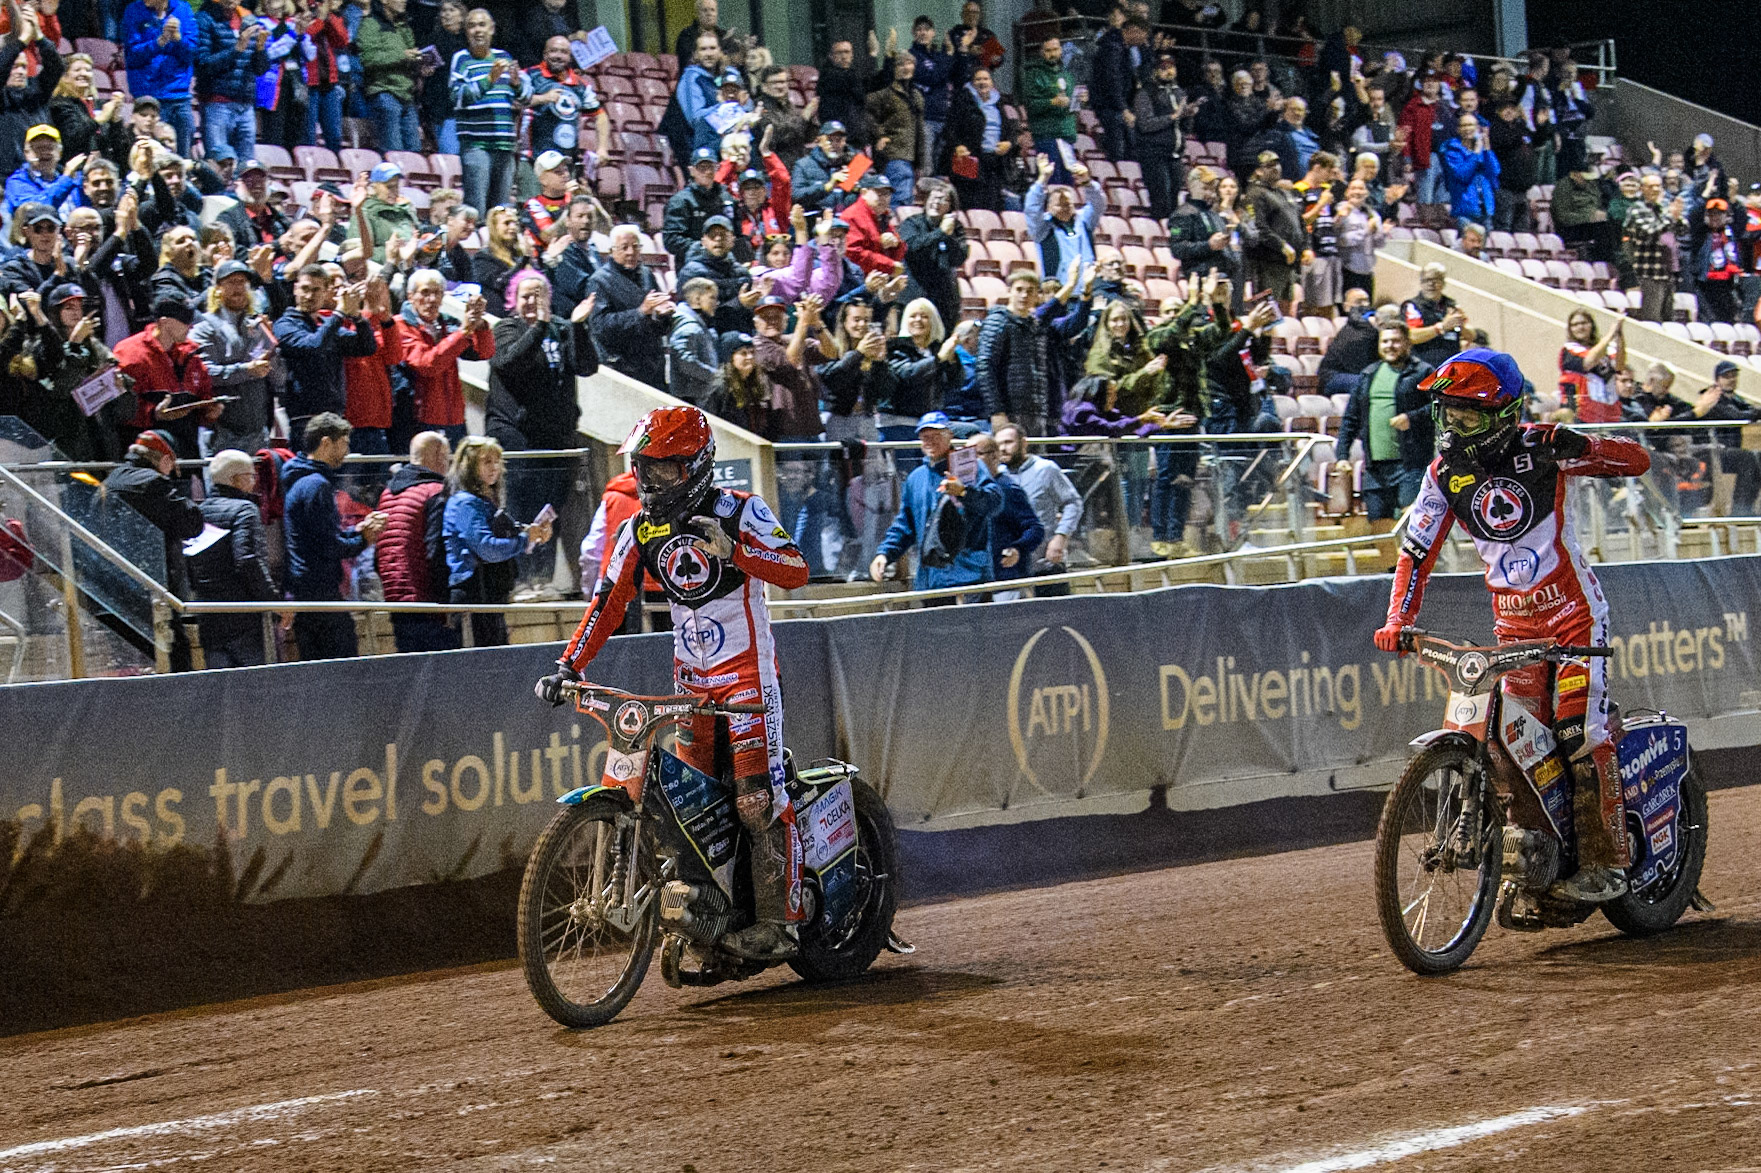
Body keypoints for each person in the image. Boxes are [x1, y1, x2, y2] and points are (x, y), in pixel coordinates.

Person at [1375, 348, 1652, 905]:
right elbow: (1416, 550)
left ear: (1503, 412)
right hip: (1514, 629)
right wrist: (1398, 618)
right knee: (1513, 746)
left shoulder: (1544, 447)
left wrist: (1586, 445)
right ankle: (1541, 866)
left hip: (1574, 618)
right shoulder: (1443, 473)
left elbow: (1637, 460)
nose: (1454, 425)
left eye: (1467, 415)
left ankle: (1611, 863)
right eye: (1447, 413)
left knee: (1578, 734)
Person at [538, 406, 811, 960]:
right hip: (692, 687)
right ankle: (712, 920)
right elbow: (608, 602)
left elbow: (796, 568)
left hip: (747, 680)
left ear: (696, 466)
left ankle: (783, 922)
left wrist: (735, 551)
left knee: (756, 800)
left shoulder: (741, 509)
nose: (649, 481)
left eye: (662, 470)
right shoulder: (639, 526)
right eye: (643, 469)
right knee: (696, 808)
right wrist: (570, 665)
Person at [280, 412, 387, 661]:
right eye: (344, 443)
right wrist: (364, 539)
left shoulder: (300, 480)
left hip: (305, 590)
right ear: (326, 442)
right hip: (320, 592)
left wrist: (358, 531)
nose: (347, 451)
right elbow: (328, 546)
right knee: (341, 664)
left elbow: (320, 536)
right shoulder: (317, 485)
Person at [871, 410, 1004, 595]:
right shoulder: (915, 478)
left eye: (936, 435)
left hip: (970, 577)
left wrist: (964, 492)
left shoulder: (971, 465)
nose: (930, 441)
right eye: (925, 436)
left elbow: (995, 502)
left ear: (950, 435)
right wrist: (885, 553)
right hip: (931, 580)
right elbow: (905, 525)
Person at [443, 435, 548, 647]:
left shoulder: (483, 502)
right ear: (470, 465)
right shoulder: (465, 504)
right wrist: (523, 539)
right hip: (474, 596)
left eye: (496, 461)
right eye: (486, 461)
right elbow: (487, 548)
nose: (494, 467)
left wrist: (529, 533)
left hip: (490, 594)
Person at [1333, 321, 1435, 525]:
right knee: (1379, 525)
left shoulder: (1423, 372)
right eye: (1385, 341)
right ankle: (1389, 559)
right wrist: (1342, 455)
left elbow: (1441, 407)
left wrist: (1412, 418)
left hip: (1411, 465)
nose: (1390, 346)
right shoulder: (1368, 374)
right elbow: (1351, 418)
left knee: (1413, 524)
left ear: (1407, 343)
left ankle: (1423, 558)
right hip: (1376, 468)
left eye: (1396, 341)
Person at [186, 448, 277, 668]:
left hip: (209, 614)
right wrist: (273, 601)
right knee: (255, 689)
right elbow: (247, 560)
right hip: (243, 616)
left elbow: (189, 562)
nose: (254, 481)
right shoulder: (245, 510)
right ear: (236, 479)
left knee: (221, 692)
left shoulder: (198, 511)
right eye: (251, 476)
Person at [273, 264, 379, 446]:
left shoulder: (326, 324)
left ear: (325, 292)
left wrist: (357, 317)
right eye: (305, 289)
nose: (309, 296)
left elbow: (366, 347)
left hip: (334, 415)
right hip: (304, 418)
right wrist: (339, 313)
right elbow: (313, 346)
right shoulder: (285, 324)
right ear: (295, 289)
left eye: (316, 290)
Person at [376, 430, 455, 652]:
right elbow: (436, 552)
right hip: (428, 603)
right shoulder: (435, 491)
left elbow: (378, 552)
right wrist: (446, 604)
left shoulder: (387, 495)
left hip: (396, 600)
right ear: (440, 455)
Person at [396, 267, 493, 445]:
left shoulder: (447, 324)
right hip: (418, 420)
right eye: (425, 293)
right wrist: (464, 331)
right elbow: (427, 364)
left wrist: (479, 325)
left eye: (437, 293)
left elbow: (484, 352)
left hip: (454, 419)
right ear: (411, 296)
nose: (432, 300)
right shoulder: (400, 325)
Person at [190, 258, 275, 455]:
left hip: (257, 433)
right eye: (231, 282)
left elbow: (278, 378)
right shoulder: (205, 327)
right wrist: (246, 370)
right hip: (221, 433)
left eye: (242, 282)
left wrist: (272, 346)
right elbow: (204, 373)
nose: (238, 287)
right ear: (218, 289)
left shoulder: (257, 326)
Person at [449, 8, 529, 215]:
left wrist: (517, 84)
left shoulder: (505, 57)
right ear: (466, 32)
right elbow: (457, 98)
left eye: (482, 25)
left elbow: (526, 96)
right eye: (472, 26)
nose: (477, 30)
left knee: (502, 214)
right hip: (476, 146)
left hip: (505, 145)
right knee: (476, 211)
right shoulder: (461, 59)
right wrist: (488, 80)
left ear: (492, 29)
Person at [587, 223, 672, 390]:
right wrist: (640, 312)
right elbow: (600, 326)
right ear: (612, 250)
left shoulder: (646, 274)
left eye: (635, 247)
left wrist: (662, 316)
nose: (631, 252)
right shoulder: (599, 281)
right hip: (622, 365)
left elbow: (658, 322)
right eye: (624, 247)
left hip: (652, 364)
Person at [994, 422, 1080, 576]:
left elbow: (1073, 503)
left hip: (1045, 562)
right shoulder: (996, 475)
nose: (1003, 448)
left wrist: (1060, 538)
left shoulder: (1046, 469)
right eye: (999, 444)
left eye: (1008, 442)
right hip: (1010, 568)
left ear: (1024, 443)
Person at [971, 430, 1043, 596]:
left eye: (977, 454)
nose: (970, 460)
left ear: (994, 456)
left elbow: (1034, 528)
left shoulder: (1008, 489)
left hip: (1006, 580)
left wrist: (1018, 549)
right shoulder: (968, 492)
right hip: (976, 580)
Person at [122, 0, 196, 156]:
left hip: (179, 95)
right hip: (148, 96)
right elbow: (132, 56)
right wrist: (159, 42)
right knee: (148, 155)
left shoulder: (183, 9)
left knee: (183, 157)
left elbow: (191, 54)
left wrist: (178, 39)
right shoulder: (133, 10)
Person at [898, 180, 968, 332]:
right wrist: (940, 233)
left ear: (950, 206)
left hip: (944, 300)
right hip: (914, 296)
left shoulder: (956, 228)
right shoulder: (912, 223)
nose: (937, 202)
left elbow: (959, 257)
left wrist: (948, 236)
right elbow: (911, 248)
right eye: (934, 197)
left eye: (943, 199)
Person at [940, 68, 1011, 213]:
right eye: (978, 79)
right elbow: (950, 129)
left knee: (992, 204)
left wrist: (1008, 143)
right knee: (971, 203)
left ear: (992, 83)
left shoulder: (999, 103)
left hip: (994, 162)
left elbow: (1009, 131)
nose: (982, 82)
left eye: (986, 79)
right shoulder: (962, 102)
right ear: (972, 83)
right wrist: (958, 146)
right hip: (970, 160)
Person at [1024, 156, 1103, 283]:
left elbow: (1098, 204)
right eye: (1059, 205)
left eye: (1068, 204)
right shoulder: (1042, 228)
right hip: (1058, 292)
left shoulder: (1083, 220)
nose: (1065, 208)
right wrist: (1042, 179)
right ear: (1049, 208)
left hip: (1088, 290)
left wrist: (1087, 182)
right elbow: (1031, 209)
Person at [356, 0, 421, 152]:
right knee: (393, 151)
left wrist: (420, 64)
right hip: (385, 93)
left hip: (406, 95)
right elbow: (368, 58)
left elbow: (409, 55)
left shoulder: (403, 26)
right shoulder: (370, 25)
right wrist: (402, 55)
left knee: (415, 151)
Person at [1242, 150, 1303, 313]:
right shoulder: (1255, 194)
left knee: (1285, 312)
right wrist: (1281, 245)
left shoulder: (1284, 193)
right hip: (1267, 263)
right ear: (1259, 171)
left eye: (1277, 164)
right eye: (1269, 166)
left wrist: (1305, 247)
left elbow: (1299, 222)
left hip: (1287, 263)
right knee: (1267, 313)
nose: (1275, 168)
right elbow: (1258, 229)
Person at [1132, 52, 1189, 221]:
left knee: (1174, 198)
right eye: (1163, 68)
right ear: (1155, 71)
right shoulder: (1145, 93)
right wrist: (1172, 116)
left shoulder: (1179, 92)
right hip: (1154, 154)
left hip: (1175, 153)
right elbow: (1145, 124)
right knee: (1161, 198)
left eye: (1171, 67)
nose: (1168, 71)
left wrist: (1189, 115)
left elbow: (1184, 127)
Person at [1624, 173, 1687, 324]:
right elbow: (1650, 233)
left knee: (1668, 319)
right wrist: (1670, 217)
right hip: (1650, 271)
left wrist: (1677, 218)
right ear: (1642, 189)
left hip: (1668, 270)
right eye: (1651, 186)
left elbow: (1683, 230)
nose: (1655, 189)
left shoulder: (1662, 210)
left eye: (1658, 186)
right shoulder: (1636, 209)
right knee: (1652, 319)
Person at [1021, 36, 1075, 182]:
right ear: (1041, 52)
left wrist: (1080, 101)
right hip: (1046, 135)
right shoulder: (1033, 75)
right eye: (1048, 50)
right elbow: (1031, 105)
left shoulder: (1067, 74)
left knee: (1068, 181)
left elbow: (1072, 106)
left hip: (1066, 135)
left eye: (1056, 49)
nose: (1053, 54)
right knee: (1052, 182)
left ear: (1061, 50)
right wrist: (1052, 102)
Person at [1558, 308, 1626, 424]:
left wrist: (1619, 333)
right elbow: (1588, 362)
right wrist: (1610, 334)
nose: (1580, 327)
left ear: (1592, 325)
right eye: (1575, 325)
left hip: (1608, 412)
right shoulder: (1569, 350)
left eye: (1584, 323)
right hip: (1579, 414)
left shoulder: (1606, 349)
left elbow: (1619, 365)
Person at [1401, 262, 1466, 370]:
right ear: (1421, 283)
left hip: (1451, 366)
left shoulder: (1451, 304)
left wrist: (1462, 325)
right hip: (1423, 367)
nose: (1431, 284)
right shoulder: (1413, 306)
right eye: (1427, 280)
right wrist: (1441, 327)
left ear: (1443, 283)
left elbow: (1470, 335)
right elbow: (1411, 336)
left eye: (1436, 280)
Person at [1441, 112, 1498, 230]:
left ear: (1477, 128)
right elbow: (1462, 175)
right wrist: (1476, 154)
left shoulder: (1482, 149)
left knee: (1483, 248)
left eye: (1471, 125)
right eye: (1464, 125)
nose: (1468, 129)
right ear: (1458, 129)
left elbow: (1494, 172)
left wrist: (1487, 150)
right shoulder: (1452, 151)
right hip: (1465, 209)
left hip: (1485, 208)